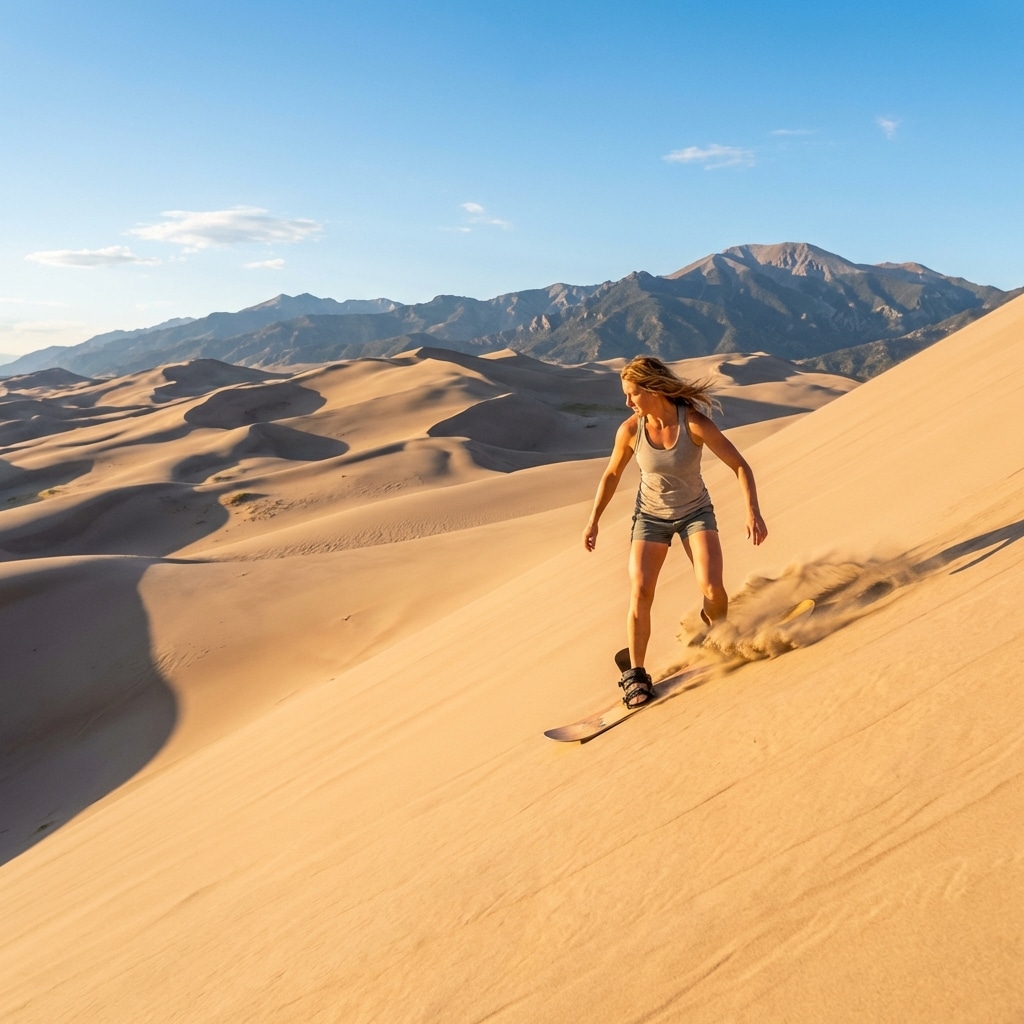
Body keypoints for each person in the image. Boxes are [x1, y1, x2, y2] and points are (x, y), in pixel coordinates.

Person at [582, 355, 768, 708]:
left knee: (712, 587)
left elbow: (739, 465)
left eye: (632, 394)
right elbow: (611, 475)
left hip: (695, 513)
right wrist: (593, 520)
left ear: (652, 389)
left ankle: (718, 634)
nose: (627, 402)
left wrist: (753, 511)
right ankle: (635, 675)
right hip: (649, 518)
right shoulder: (631, 430)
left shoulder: (694, 424)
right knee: (640, 592)